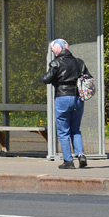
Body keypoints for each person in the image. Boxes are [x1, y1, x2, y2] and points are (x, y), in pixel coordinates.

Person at [41, 38, 90, 169]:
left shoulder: (56, 63)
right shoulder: (79, 62)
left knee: (63, 131)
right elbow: (88, 78)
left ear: (57, 49)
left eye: (53, 50)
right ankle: (80, 155)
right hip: (78, 98)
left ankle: (68, 161)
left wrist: (41, 77)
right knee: (75, 129)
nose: (53, 52)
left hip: (62, 98)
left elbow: (47, 78)